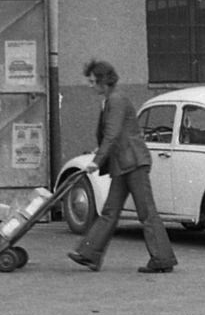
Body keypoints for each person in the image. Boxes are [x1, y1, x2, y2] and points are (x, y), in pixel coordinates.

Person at [67, 58, 178, 274]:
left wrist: (96, 161)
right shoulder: (112, 99)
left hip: (133, 162)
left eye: (92, 81)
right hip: (125, 163)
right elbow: (114, 135)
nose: (90, 86)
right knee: (110, 210)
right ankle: (89, 254)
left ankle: (163, 259)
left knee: (146, 212)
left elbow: (113, 133)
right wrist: (98, 154)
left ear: (103, 81)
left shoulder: (116, 100)